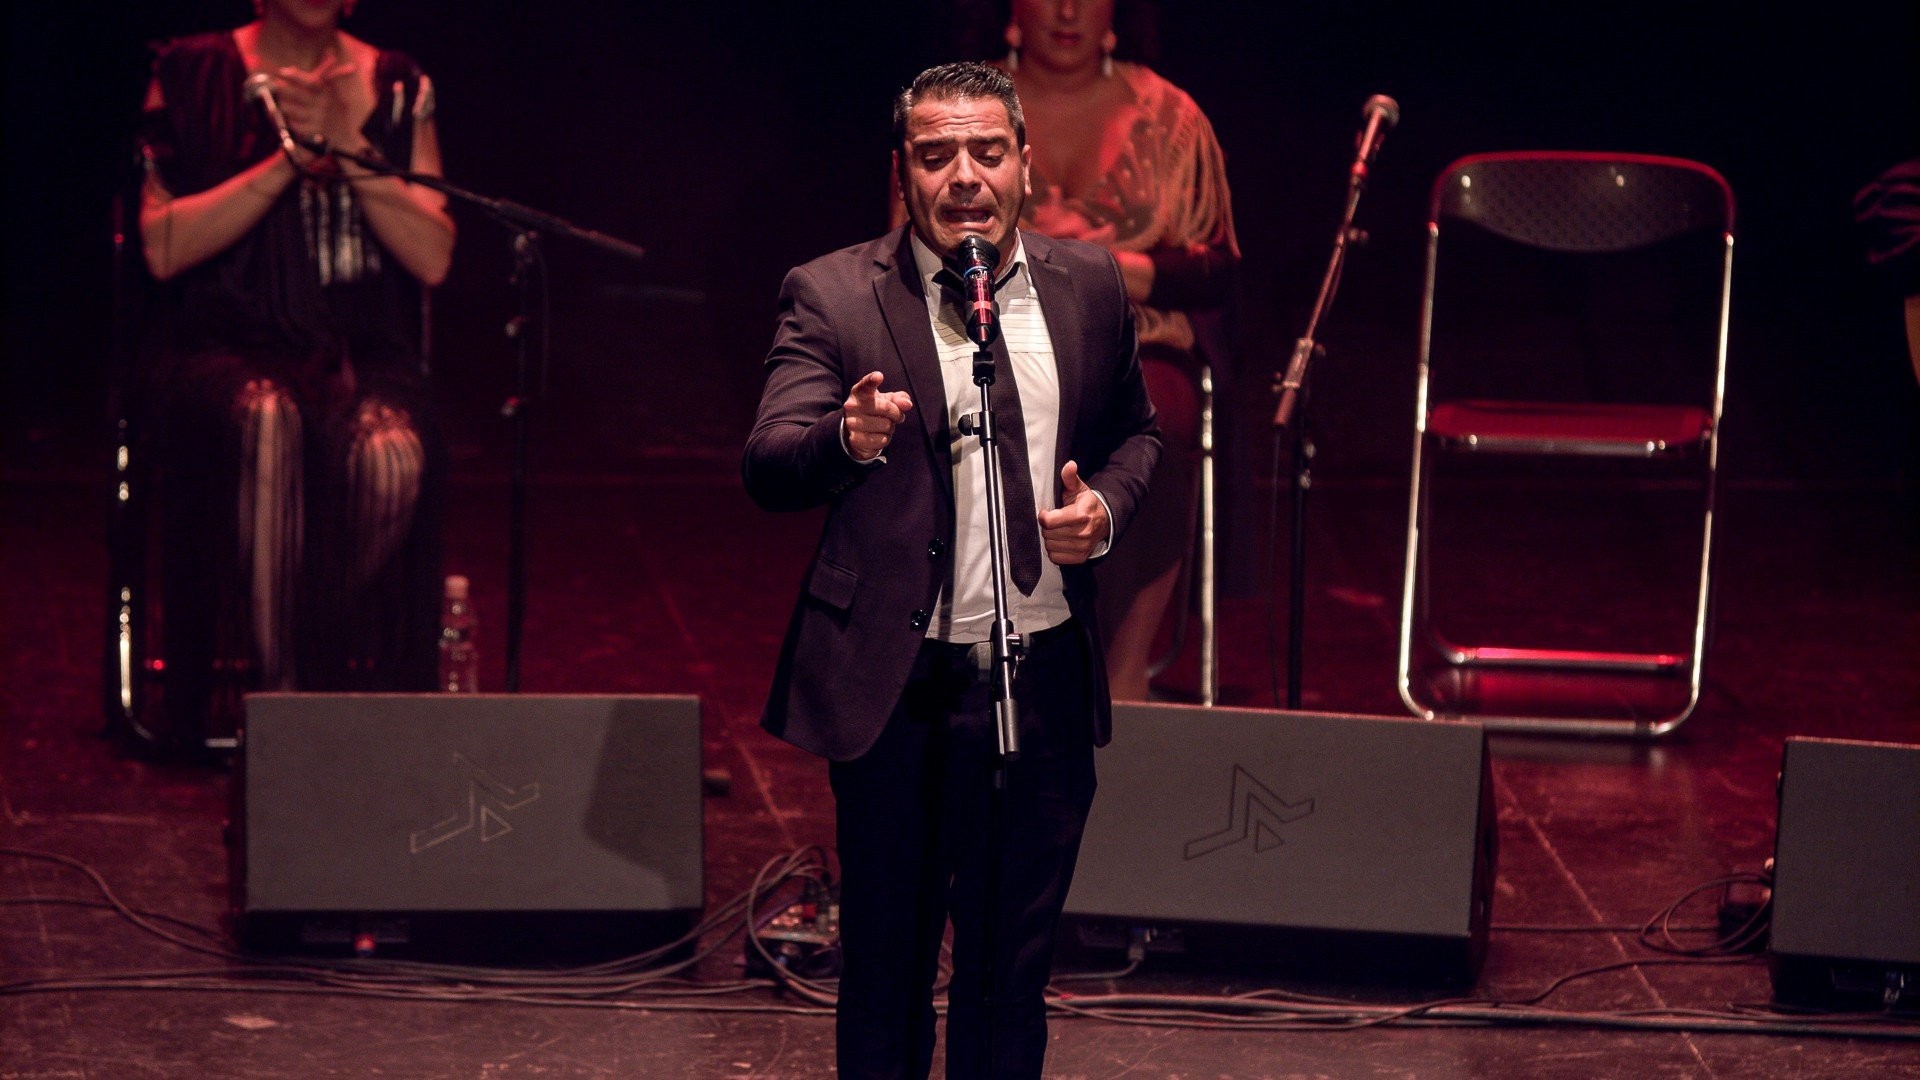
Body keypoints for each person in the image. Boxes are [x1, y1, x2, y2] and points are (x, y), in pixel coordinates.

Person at [743, 62, 1160, 1080]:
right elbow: (768, 460)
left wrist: (1101, 512)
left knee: (1009, 978)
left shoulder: (1092, 287)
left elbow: (1137, 438)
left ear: (1024, 166)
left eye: (986, 152)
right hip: (901, 689)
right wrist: (844, 439)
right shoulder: (835, 294)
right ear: (904, 175)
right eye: (937, 156)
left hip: (1043, 678)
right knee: (886, 975)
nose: (963, 176)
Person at [133, 0, 455, 752]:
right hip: (227, 338)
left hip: (358, 348)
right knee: (266, 418)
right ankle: (281, 715)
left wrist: (346, 144)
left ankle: (303, 638)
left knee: (392, 455)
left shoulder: (400, 85)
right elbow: (163, 248)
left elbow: (433, 255)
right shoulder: (190, 71)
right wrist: (285, 161)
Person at [997, 0, 1239, 700]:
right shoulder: (961, 107)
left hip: (1136, 349)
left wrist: (1108, 268)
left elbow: (1216, 271)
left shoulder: (1172, 117)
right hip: (991, 348)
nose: (1068, 10)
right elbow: (908, 251)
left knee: (1155, 418)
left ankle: (1124, 673)